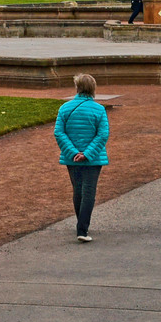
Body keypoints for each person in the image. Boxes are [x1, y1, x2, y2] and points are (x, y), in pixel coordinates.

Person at [53, 74, 111, 243]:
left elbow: (59, 132)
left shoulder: (65, 108)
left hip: (72, 157)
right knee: (88, 192)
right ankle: (82, 229)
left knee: (78, 190)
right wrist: (87, 154)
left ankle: (81, 225)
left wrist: (72, 152)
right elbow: (102, 135)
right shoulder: (99, 109)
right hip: (93, 158)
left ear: (77, 88)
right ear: (93, 89)